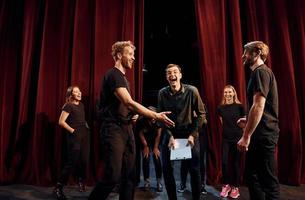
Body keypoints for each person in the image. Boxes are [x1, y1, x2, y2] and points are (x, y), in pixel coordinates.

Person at [89, 41, 174, 200]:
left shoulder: (124, 79)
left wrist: (133, 115)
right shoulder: (113, 75)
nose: (134, 58)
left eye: (134, 55)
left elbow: (124, 105)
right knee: (112, 175)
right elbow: (128, 102)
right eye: (130, 54)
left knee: (130, 176)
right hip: (113, 129)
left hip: (126, 128)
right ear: (120, 55)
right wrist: (154, 115)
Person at [158, 63, 207, 200]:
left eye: (174, 72)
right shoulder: (162, 93)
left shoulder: (192, 91)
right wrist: (169, 136)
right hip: (171, 134)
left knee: (194, 170)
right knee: (167, 170)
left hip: (189, 133)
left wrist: (193, 134)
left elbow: (202, 114)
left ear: (180, 75)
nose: (172, 75)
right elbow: (161, 117)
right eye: (169, 73)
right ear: (167, 77)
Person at [237, 41, 280, 200]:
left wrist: (246, 135)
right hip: (259, 133)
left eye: (246, 52)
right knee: (251, 176)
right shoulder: (258, 73)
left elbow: (259, 105)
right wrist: (248, 119)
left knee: (269, 182)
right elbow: (261, 106)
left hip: (264, 135)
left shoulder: (261, 72)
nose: (243, 55)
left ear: (257, 53)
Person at [53, 86, 90, 200]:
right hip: (74, 136)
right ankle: (58, 187)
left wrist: (86, 128)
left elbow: (81, 120)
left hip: (85, 136)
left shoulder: (82, 105)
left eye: (79, 91)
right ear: (71, 95)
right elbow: (61, 122)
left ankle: (80, 181)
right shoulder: (68, 105)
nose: (79, 93)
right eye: (75, 92)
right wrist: (73, 131)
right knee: (72, 162)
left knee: (84, 160)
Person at [217, 85, 246, 198]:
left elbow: (244, 124)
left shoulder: (240, 107)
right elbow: (222, 123)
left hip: (238, 138)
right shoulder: (220, 108)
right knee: (224, 162)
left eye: (230, 92)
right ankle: (226, 185)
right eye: (225, 92)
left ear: (234, 93)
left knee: (235, 163)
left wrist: (244, 138)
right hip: (226, 139)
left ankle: (235, 187)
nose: (227, 94)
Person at [135, 106, 163, 192]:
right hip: (145, 140)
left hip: (155, 140)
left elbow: (158, 134)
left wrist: (155, 147)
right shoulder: (141, 120)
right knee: (146, 158)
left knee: (157, 158)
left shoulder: (158, 120)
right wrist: (145, 146)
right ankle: (147, 181)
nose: (153, 119)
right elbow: (140, 133)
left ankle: (159, 182)